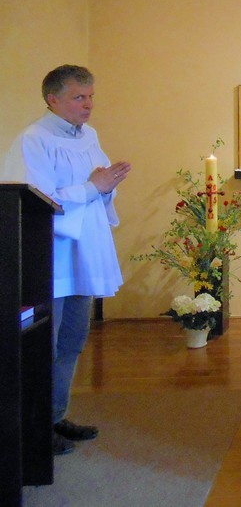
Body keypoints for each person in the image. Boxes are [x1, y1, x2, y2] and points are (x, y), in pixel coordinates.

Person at [3, 65, 129, 455]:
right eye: (79, 97)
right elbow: (37, 202)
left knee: (73, 340)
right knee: (44, 344)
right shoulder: (33, 140)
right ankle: (33, 426)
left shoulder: (89, 136)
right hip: (51, 259)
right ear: (52, 99)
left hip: (84, 254)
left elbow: (97, 188)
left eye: (90, 96)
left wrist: (106, 187)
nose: (88, 104)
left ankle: (56, 416)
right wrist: (93, 187)